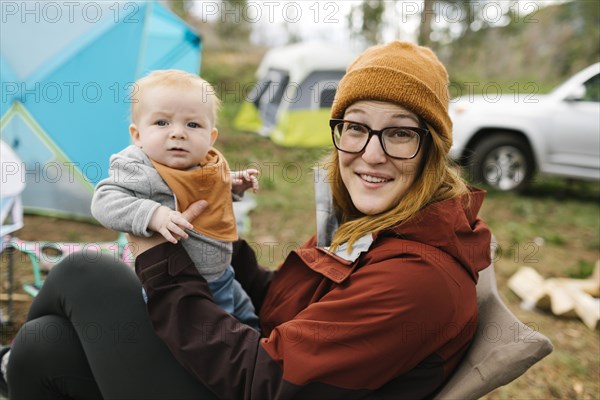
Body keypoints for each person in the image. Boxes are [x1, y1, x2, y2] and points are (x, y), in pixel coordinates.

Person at [1, 41, 491, 400]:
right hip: (248, 368)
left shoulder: (419, 279)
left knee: (85, 273)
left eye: (400, 133)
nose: (371, 153)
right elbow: (284, 301)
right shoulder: (374, 223)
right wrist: (210, 229)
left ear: (433, 149)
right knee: (42, 347)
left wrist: (161, 255)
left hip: (252, 385)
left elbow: (267, 380)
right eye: (356, 127)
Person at [91, 70, 260, 329]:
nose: (178, 133)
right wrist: (154, 215)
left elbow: (205, 192)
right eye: (162, 123)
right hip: (173, 282)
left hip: (220, 273)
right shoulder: (141, 168)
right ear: (137, 135)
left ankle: (259, 347)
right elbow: (104, 200)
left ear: (211, 137)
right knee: (213, 333)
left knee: (247, 316)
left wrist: (234, 185)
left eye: (193, 125)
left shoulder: (206, 164)